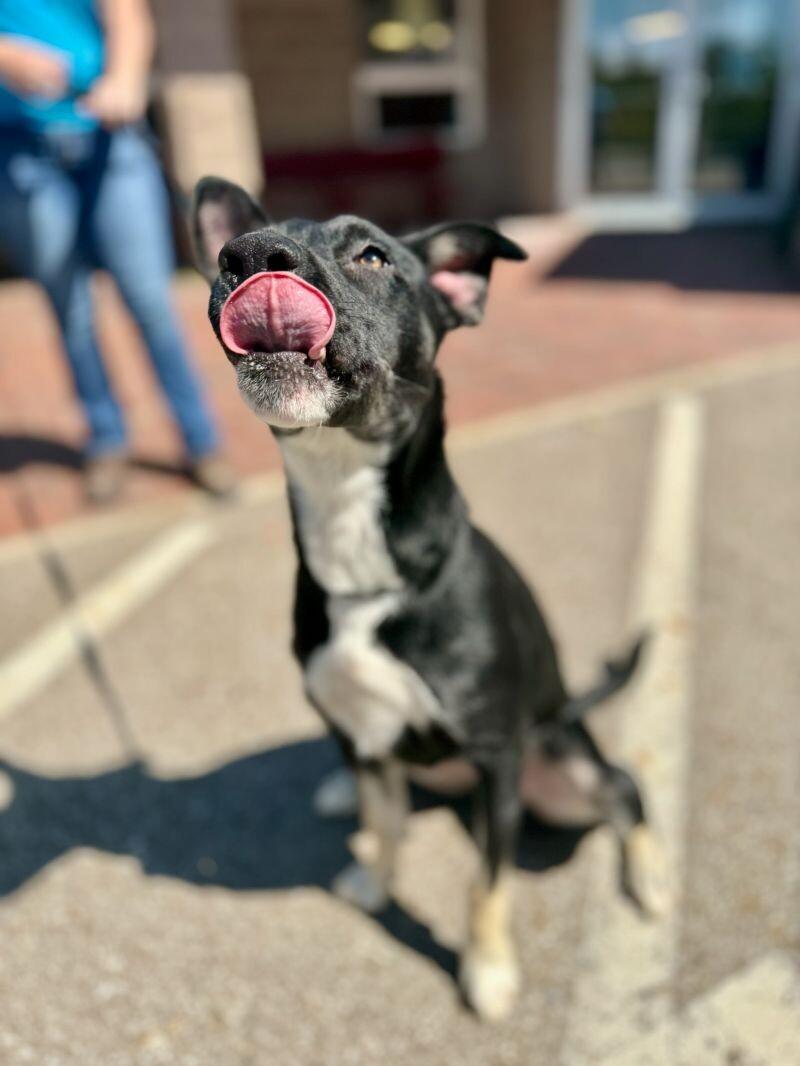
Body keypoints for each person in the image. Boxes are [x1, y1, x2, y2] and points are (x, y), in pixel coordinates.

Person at [0, 0, 236, 502]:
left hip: (111, 139)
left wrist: (125, 81)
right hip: (21, 150)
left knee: (151, 303)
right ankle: (106, 438)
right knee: (71, 310)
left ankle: (202, 442)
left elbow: (127, 15)